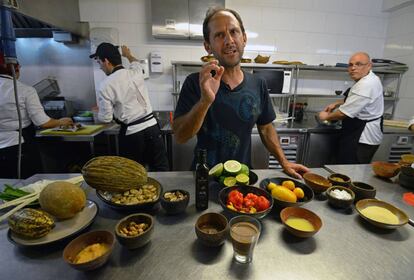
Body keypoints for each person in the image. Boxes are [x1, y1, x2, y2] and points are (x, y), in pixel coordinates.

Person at [173, 8, 309, 178]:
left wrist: (284, 162)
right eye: (220, 35)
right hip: (204, 178)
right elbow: (179, 136)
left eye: (234, 32)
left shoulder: (258, 83)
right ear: (208, 46)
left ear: (244, 38)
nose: (229, 40)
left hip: (242, 178)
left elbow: (266, 128)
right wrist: (205, 101)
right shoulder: (196, 82)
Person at [90, 43, 169, 171]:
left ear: (106, 61)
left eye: (99, 62)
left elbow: (106, 118)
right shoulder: (135, 72)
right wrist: (128, 54)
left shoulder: (105, 85)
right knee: (161, 169)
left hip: (133, 135)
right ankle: (164, 190)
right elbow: (136, 62)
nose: (100, 67)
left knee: (133, 174)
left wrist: (98, 112)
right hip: (153, 128)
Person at [0, 60, 73, 179]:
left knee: (4, 187)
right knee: (28, 185)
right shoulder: (25, 90)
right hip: (18, 147)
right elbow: (43, 122)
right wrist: (61, 121)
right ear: (16, 69)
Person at [318, 52, 384, 164]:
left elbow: (342, 114)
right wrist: (337, 103)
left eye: (359, 64)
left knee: (351, 171)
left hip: (362, 138)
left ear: (369, 65)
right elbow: (357, 99)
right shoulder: (370, 78)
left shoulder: (366, 84)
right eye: (350, 65)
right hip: (358, 133)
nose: (353, 68)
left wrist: (326, 117)